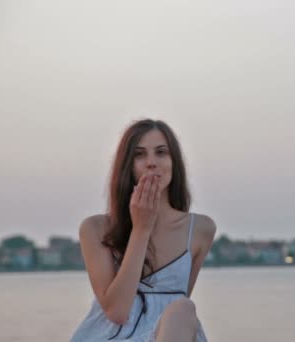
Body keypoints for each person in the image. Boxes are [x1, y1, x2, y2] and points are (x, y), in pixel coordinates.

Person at [71, 119, 216, 342]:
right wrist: (141, 228)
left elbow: (177, 303)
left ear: (174, 161)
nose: (151, 163)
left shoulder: (200, 230)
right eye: (139, 155)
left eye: (161, 152)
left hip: (168, 334)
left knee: (183, 309)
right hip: (111, 336)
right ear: (127, 166)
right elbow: (117, 312)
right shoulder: (94, 229)